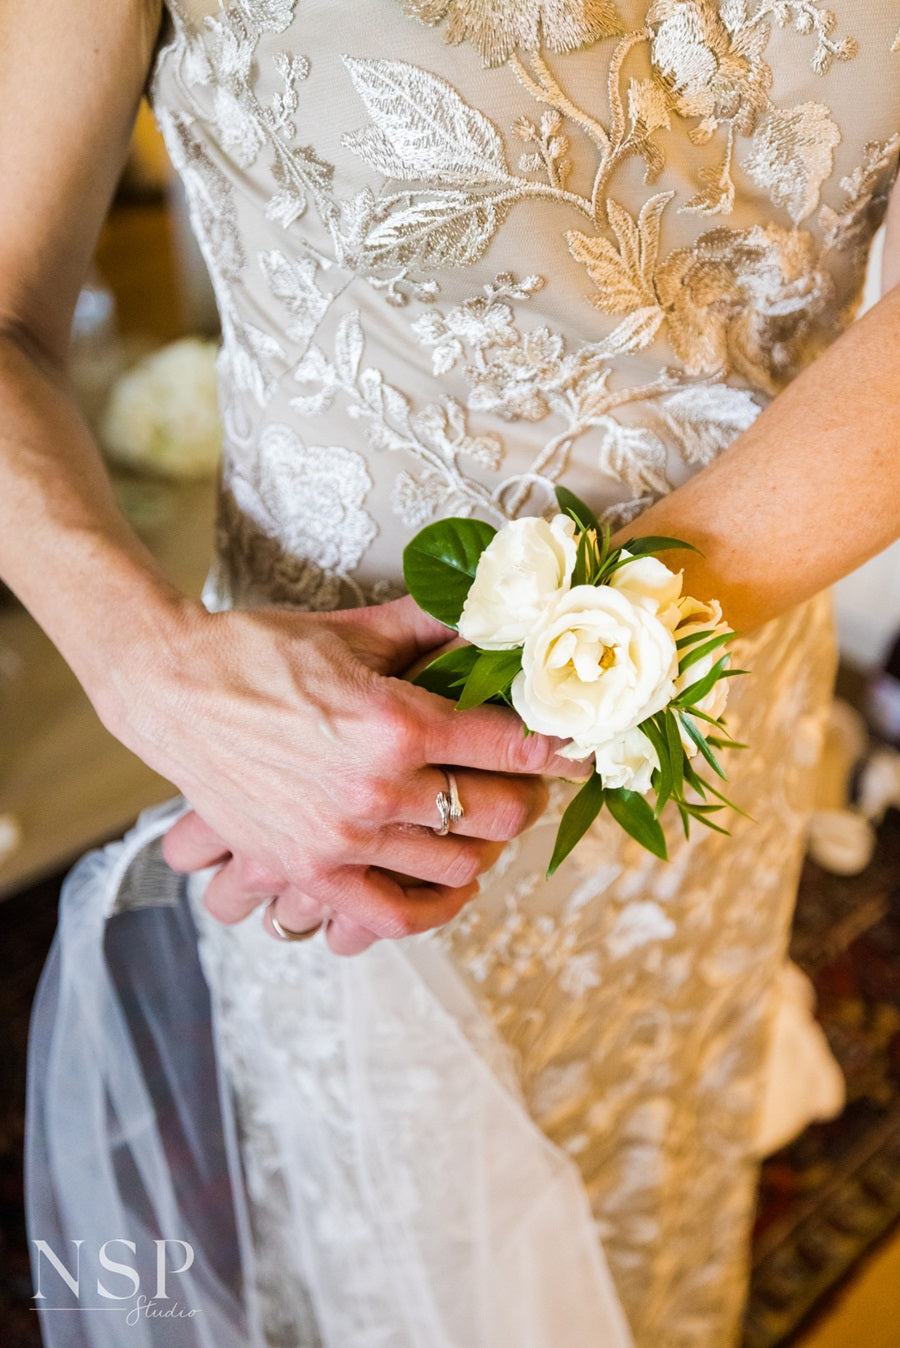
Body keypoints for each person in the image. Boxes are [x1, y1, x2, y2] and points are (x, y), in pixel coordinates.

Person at [7, 1, 899, 1344]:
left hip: (698, 714)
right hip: (318, 769)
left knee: (644, 1217)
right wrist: (147, 672)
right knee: (391, 1242)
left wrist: (582, 660)